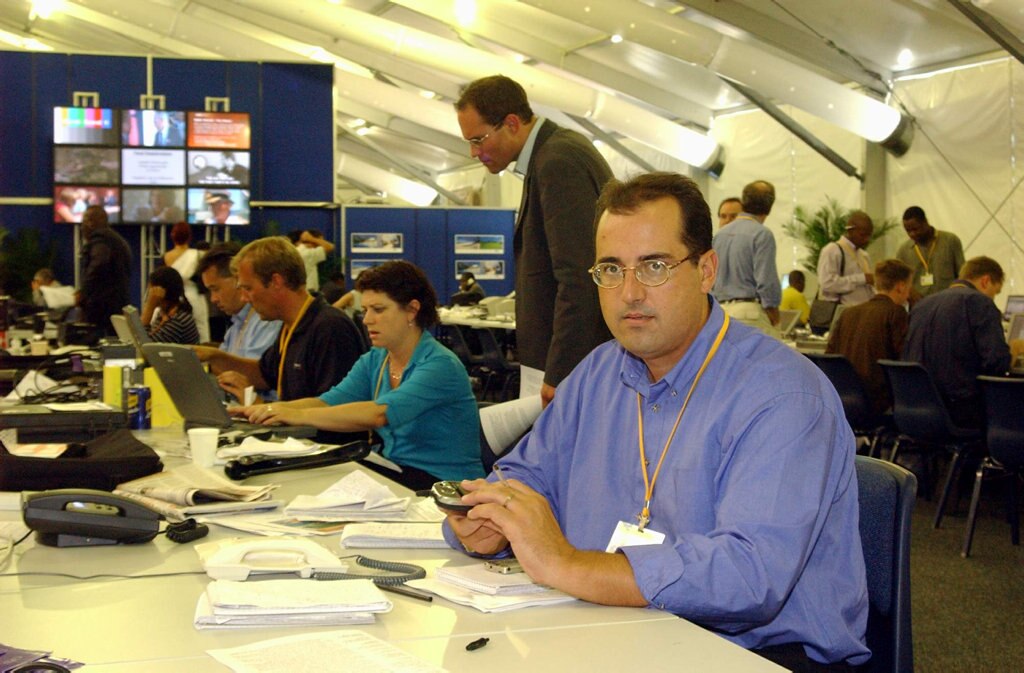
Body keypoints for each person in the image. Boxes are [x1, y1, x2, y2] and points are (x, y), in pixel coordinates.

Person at [443, 172, 868, 671]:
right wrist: (489, 523)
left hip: (757, 653)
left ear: (707, 270)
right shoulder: (598, 372)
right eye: (611, 269)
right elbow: (526, 478)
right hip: (615, 632)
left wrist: (568, 564)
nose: (629, 293)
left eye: (654, 267)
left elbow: (749, 576)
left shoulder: (783, 395)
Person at [238, 261, 485, 490]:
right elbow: (327, 401)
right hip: (401, 472)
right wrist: (270, 410)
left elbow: (378, 414)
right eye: (365, 309)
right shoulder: (376, 360)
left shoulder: (441, 365)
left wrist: (296, 414)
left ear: (412, 310)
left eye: (378, 309)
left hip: (446, 485)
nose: (366, 319)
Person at [455, 75, 612, 406]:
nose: (474, 152)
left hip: (567, 365)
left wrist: (560, 371)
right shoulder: (550, 157)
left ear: (511, 123)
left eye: (479, 139)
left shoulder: (558, 161)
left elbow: (580, 276)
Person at [198, 237, 365, 417]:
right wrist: (213, 357)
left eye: (248, 288)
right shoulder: (292, 326)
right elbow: (264, 374)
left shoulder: (330, 328)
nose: (245, 298)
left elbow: (335, 411)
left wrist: (262, 407)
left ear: (276, 282)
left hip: (321, 443)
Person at [903, 256, 1018, 429]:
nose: (993, 298)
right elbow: (996, 364)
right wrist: (1014, 351)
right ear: (985, 281)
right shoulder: (980, 303)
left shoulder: (922, 305)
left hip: (919, 405)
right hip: (961, 409)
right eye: (995, 292)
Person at [827, 259, 913, 415]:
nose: (909, 294)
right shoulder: (896, 313)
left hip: (842, 396)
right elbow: (904, 360)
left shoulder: (848, 313)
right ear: (900, 287)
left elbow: (829, 355)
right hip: (877, 400)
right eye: (909, 288)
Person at [711, 180, 781, 335]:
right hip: (749, 313)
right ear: (769, 207)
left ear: (744, 201)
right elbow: (765, 279)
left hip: (720, 312)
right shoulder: (762, 234)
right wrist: (772, 308)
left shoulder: (719, 235)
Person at [195, 241, 281, 360]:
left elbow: (256, 375)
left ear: (238, 279)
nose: (213, 299)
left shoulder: (266, 320)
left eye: (215, 289)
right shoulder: (236, 324)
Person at [77, 205, 132, 337]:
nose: (82, 227)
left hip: (101, 310)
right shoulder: (117, 240)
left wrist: (83, 292)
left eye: (83, 221)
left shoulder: (101, 240)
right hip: (116, 305)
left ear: (91, 222)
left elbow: (98, 265)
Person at [896, 206, 965, 299]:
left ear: (925, 222)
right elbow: (900, 281)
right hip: (919, 304)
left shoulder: (950, 241)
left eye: (915, 229)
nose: (912, 234)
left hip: (948, 301)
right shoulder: (903, 251)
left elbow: (962, 274)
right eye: (908, 231)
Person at [163, 221, 210, 343]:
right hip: (195, 297)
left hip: (172, 299)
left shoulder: (166, 257)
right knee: (201, 329)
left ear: (172, 236)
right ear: (189, 237)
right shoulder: (198, 255)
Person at [817, 211, 875, 307]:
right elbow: (826, 283)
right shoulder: (833, 250)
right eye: (863, 235)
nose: (866, 239)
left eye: (869, 236)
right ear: (850, 231)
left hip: (864, 312)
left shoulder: (864, 255)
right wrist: (861, 279)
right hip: (841, 313)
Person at [141, 266, 199, 344]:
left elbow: (145, 345)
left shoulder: (178, 320)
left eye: (151, 289)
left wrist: (150, 306)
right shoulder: (164, 313)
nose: (149, 293)